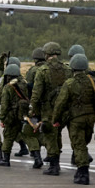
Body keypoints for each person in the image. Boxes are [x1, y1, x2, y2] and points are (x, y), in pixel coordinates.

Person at [53, 54, 95, 184]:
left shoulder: (69, 83)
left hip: (76, 119)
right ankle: (82, 165)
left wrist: (56, 119)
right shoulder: (94, 82)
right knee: (83, 144)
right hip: (90, 118)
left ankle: (83, 172)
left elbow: (61, 103)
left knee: (79, 145)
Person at [31, 41, 70, 176]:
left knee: (50, 136)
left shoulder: (43, 70)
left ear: (46, 54)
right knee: (57, 134)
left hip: (48, 110)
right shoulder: (67, 69)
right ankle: (56, 160)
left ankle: (54, 165)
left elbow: (36, 94)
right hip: (64, 110)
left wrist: (35, 110)